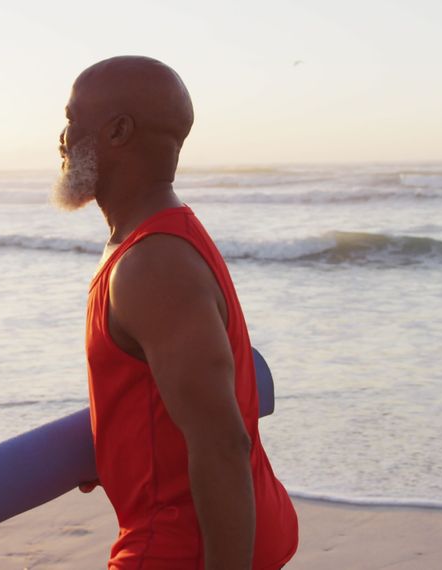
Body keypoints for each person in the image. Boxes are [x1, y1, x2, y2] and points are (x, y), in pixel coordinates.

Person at [53, 55, 298, 570]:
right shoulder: (154, 242)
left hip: (175, 552)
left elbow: (222, 444)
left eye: (74, 119)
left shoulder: (153, 266)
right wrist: (115, 447)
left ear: (118, 131)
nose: (62, 136)